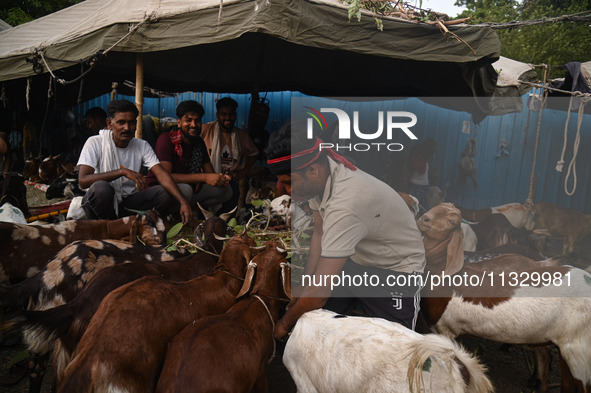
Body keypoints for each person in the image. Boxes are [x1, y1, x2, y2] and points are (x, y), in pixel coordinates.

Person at [267, 123, 426, 340]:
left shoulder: (347, 203)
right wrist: (305, 284)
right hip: (357, 262)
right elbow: (319, 233)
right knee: (315, 325)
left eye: (289, 183)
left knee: (395, 348)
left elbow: (320, 293)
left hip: (396, 270)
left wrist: (283, 325)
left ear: (312, 170)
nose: (287, 190)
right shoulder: (320, 177)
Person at [77, 100, 192, 224]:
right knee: (102, 188)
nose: (126, 128)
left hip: (127, 202)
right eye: (121, 122)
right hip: (100, 204)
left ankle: (141, 222)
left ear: (136, 124)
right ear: (109, 124)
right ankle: (107, 226)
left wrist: (183, 202)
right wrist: (122, 172)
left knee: (166, 192)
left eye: (131, 123)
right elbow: (83, 181)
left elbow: (161, 174)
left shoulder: (142, 145)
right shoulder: (95, 142)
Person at [147, 100, 232, 213]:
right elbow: (165, 176)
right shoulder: (166, 139)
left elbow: (210, 173)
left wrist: (220, 178)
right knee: (186, 189)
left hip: (188, 190)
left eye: (197, 121)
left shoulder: (198, 143)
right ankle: (168, 215)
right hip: (162, 191)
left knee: (225, 190)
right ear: (179, 123)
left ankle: (189, 211)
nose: (193, 125)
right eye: (188, 120)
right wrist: (204, 177)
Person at [201, 97, 259, 210]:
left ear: (235, 115)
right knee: (205, 217)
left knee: (227, 218)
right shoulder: (205, 130)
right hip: (207, 182)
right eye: (224, 114)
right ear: (217, 115)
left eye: (231, 114)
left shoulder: (241, 136)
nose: (228, 118)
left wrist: (244, 171)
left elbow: (254, 153)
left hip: (230, 182)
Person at [402, 138, 437, 211]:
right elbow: (407, 174)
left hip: (423, 188)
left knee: (423, 209)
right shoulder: (416, 159)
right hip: (416, 188)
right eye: (431, 152)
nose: (431, 154)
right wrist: (405, 189)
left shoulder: (424, 161)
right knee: (415, 209)